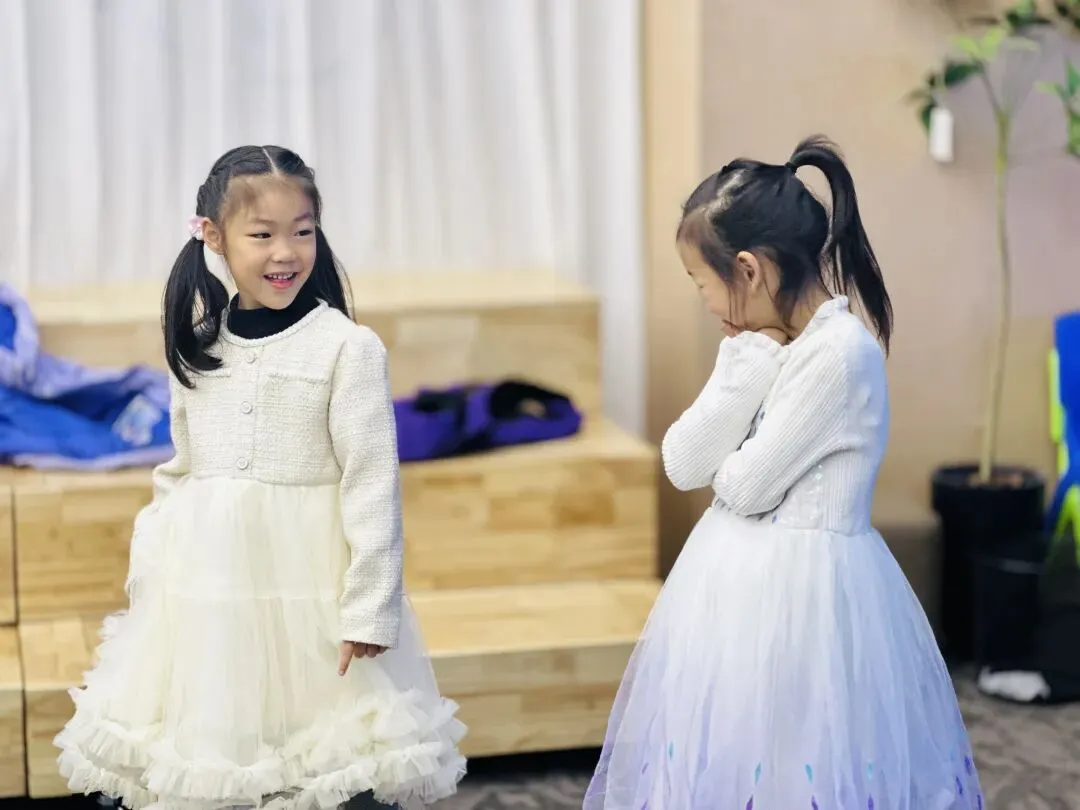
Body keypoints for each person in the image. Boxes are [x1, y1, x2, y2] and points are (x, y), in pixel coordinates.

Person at [55, 145, 466, 810]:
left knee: (321, 759)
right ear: (214, 237)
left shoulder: (347, 348)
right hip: (209, 589)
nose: (286, 253)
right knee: (221, 749)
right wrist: (155, 571)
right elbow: (181, 468)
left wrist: (371, 604)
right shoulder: (198, 345)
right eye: (262, 235)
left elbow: (371, 483)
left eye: (302, 232)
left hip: (311, 593)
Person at [583, 136, 984, 810]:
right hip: (738, 592)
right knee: (734, 761)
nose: (706, 303)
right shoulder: (760, 349)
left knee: (800, 765)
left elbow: (744, 487)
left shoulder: (838, 354)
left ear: (748, 270)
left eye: (702, 284)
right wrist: (748, 365)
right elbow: (682, 463)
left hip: (809, 601)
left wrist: (740, 412)